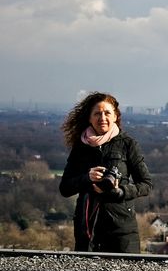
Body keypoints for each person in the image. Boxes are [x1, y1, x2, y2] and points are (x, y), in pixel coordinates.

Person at [59, 91, 153, 253]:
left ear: (115, 116)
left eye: (107, 113)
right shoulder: (80, 148)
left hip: (122, 226)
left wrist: (120, 191)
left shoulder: (127, 144)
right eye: (97, 113)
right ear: (89, 118)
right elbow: (65, 188)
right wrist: (86, 178)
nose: (102, 118)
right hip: (87, 227)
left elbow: (146, 184)